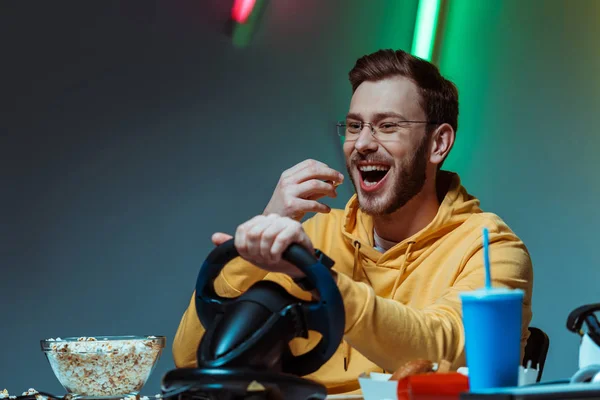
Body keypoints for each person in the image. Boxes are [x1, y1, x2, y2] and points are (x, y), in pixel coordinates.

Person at [172, 49, 533, 394]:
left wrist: (319, 279)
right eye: (355, 125)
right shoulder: (312, 235)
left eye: (387, 125)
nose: (361, 144)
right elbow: (191, 362)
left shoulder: (491, 249)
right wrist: (256, 243)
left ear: (438, 144)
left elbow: (443, 347)